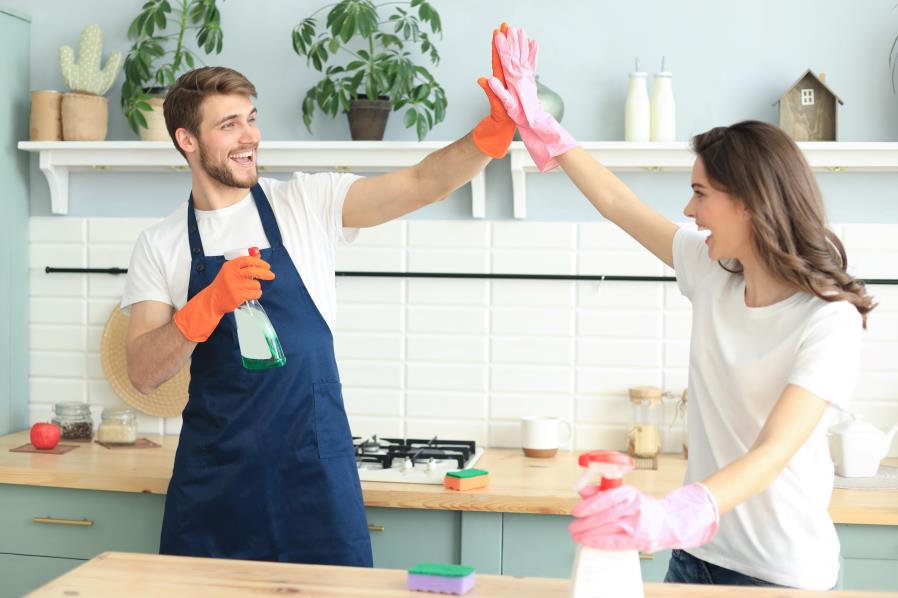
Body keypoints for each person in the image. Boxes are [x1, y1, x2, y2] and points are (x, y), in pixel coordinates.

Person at [487, 26, 876, 590]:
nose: (688, 209)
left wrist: (673, 512)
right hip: (696, 556)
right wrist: (542, 126)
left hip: (780, 574)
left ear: (750, 203)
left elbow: (773, 452)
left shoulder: (827, 320)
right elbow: (618, 203)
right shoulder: (711, 271)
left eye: (701, 193)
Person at [122, 26, 516, 566]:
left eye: (252, 119)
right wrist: (206, 306)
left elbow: (422, 182)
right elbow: (142, 371)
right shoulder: (161, 243)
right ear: (187, 141)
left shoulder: (305, 201)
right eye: (229, 124)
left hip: (313, 475)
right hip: (215, 484)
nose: (250, 136)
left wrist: (493, 132)